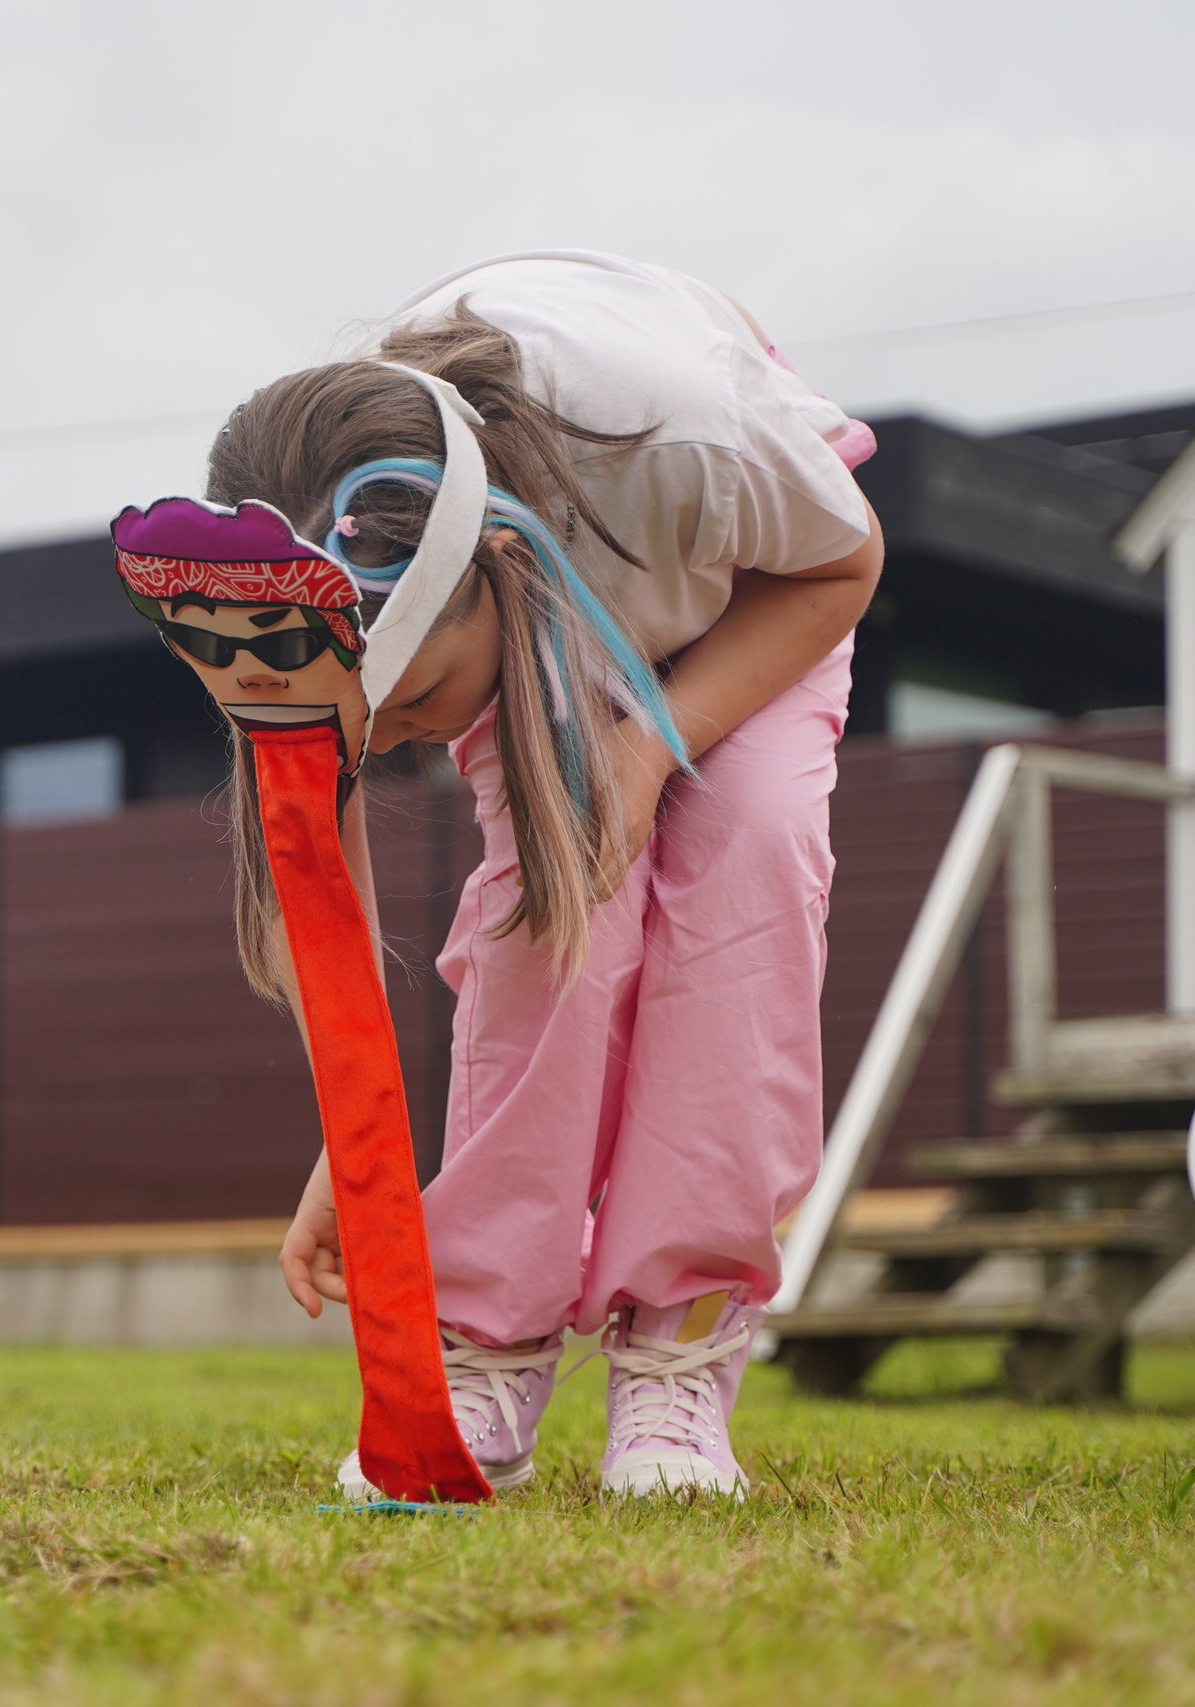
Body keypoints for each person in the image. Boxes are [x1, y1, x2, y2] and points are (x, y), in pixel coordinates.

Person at [209, 251, 882, 1499]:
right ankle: (485, 1340)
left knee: (749, 858)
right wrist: (349, 1144)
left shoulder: (686, 437)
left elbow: (841, 563)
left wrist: (641, 751)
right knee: (551, 921)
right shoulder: (307, 583)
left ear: (494, 571)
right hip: (546, 638)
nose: (389, 745)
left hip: (754, 591)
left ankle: (677, 1358)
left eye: (412, 705)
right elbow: (319, 882)